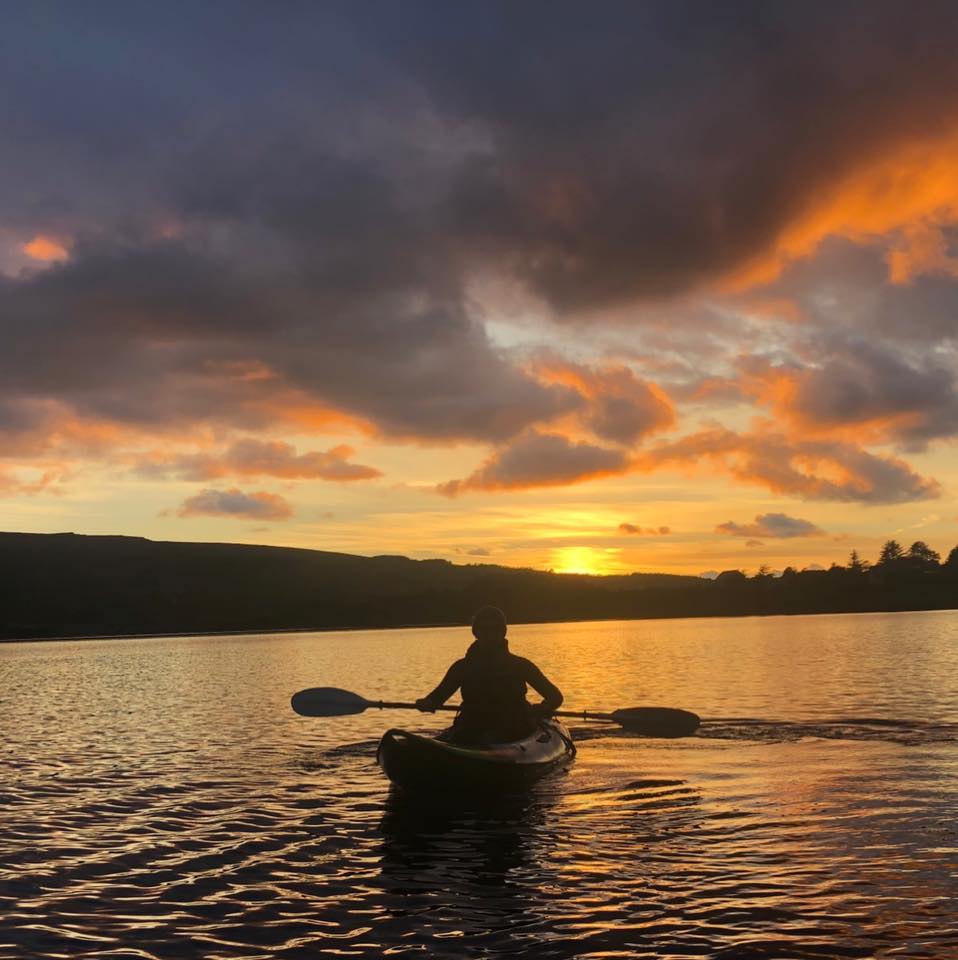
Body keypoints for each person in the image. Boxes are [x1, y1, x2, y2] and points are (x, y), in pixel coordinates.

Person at [415, 606, 563, 745]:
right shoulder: (462, 667)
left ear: (503, 632)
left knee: (489, 737)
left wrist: (543, 708)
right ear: (476, 632)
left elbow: (555, 697)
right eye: (484, 630)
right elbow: (437, 697)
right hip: (472, 727)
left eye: (495, 630)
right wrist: (427, 703)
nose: (490, 635)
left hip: (514, 728)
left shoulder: (520, 666)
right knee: (467, 736)